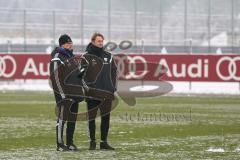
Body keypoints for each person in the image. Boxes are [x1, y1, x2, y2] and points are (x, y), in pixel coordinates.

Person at [84, 33, 117, 150]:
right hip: (92, 94)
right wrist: (87, 89)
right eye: (99, 41)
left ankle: (103, 142)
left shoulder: (109, 56)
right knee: (91, 119)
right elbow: (81, 75)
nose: (101, 43)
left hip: (106, 94)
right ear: (92, 41)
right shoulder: (86, 57)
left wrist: (113, 88)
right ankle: (92, 142)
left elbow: (114, 72)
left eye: (102, 41)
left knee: (106, 118)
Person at [49, 34, 80, 151]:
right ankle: (60, 144)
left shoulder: (71, 57)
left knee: (72, 118)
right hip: (64, 95)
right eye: (68, 43)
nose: (70, 45)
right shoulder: (57, 57)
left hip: (75, 94)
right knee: (62, 119)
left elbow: (76, 77)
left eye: (71, 43)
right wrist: (62, 95)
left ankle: (70, 143)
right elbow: (55, 77)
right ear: (62, 44)